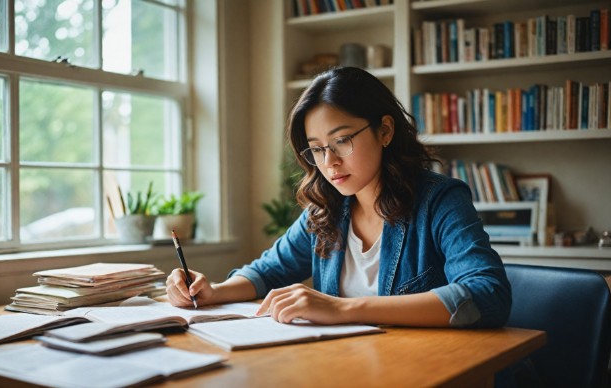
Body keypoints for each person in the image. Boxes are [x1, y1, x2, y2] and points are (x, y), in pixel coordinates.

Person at [166, 66, 511, 328]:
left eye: (342, 140)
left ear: (385, 131)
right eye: (316, 149)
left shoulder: (440, 201)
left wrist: (343, 308)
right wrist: (213, 290)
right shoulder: (326, 208)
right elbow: (268, 272)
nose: (329, 162)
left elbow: (487, 294)